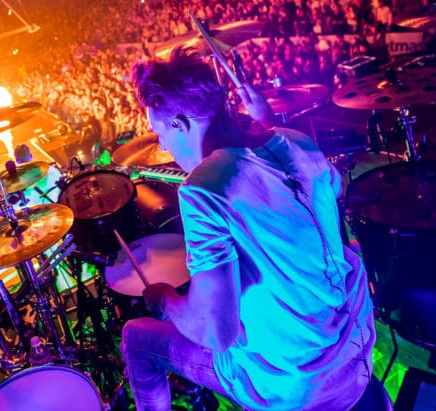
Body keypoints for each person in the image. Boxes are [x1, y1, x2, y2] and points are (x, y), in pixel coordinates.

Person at [121, 47, 375, 411]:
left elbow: (216, 332)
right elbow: (324, 202)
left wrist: (165, 301)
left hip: (294, 384)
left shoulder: (202, 189)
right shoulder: (297, 142)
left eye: (159, 133)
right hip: (358, 349)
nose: (161, 145)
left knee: (136, 339)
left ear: (180, 124)